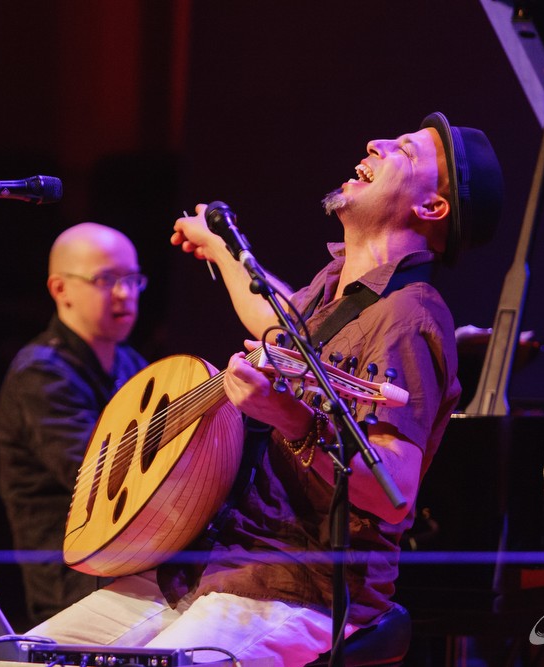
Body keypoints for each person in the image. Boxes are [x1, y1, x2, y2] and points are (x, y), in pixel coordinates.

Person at [28, 113, 504, 665]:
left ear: (431, 208)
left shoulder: (409, 317)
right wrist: (221, 248)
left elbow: (392, 492)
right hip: (210, 565)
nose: (375, 142)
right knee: (17, 658)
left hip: (298, 583)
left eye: (404, 150)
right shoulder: (334, 291)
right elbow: (272, 322)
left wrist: (291, 418)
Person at [0, 222, 149, 625]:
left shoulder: (131, 363)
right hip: (71, 586)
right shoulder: (42, 374)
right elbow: (102, 478)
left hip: (125, 569)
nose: (124, 293)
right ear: (60, 289)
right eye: (106, 279)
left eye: (133, 279)